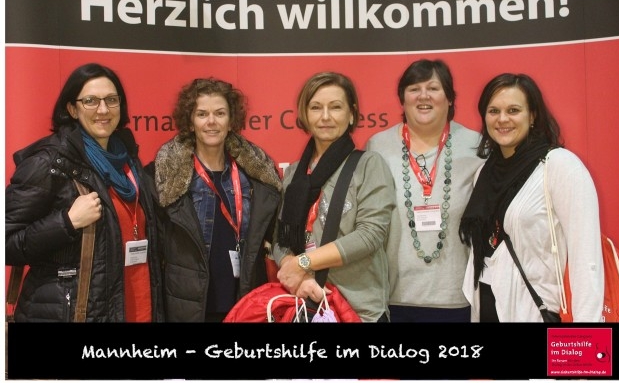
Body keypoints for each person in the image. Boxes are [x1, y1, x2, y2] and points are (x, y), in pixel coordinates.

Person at [5, 63, 164, 322]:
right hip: (79, 315)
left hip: (138, 309)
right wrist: (66, 222)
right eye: (90, 101)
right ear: (72, 109)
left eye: (111, 100)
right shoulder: (49, 163)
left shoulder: (128, 159)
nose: (103, 110)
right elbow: (7, 243)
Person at [458, 73, 603, 322]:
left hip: (537, 311)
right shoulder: (484, 173)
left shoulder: (559, 166)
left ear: (532, 115)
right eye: (494, 111)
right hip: (487, 306)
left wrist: (586, 335)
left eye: (513, 110)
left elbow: (586, 258)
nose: (502, 119)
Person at [148, 77, 282, 322]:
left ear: (231, 121)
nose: (211, 121)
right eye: (202, 114)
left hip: (244, 301)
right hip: (190, 307)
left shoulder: (254, 177)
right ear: (190, 123)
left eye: (220, 113)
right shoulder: (166, 178)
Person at [365, 59, 484, 322]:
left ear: (449, 98)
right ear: (402, 99)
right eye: (414, 89)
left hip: (457, 298)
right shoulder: (377, 147)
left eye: (433, 88)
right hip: (392, 298)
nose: (423, 96)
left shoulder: (476, 146)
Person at [272, 71, 396, 322]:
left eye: (336, 107)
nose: (325, 116)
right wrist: (297, 275)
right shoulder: (294, 173)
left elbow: (370, 234)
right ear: (305, 114)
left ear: (351, 114)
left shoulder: (368, 164)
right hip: (306, 304)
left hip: (360, 310)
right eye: (316, 107)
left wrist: (303, 263)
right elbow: (279, 239)